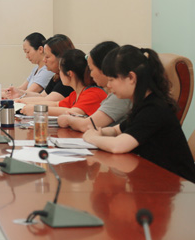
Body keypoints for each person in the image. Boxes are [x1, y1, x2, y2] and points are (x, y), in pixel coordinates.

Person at [83, 45, 195, 183]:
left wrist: (93, 138)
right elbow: (116, 130)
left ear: (131, 77)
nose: (108, 85)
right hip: (156, 180)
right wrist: (99, 132)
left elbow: (118, 146)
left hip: (179, 187)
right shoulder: (143, 105)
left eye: (112, 80)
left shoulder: (154, 109)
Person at [57, 41, 131, 131]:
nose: (91, 75)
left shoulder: (119, 96)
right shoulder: (114, 94)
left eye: (91, 69)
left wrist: (69, 120)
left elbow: (87, 125)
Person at [21, 49, 107, 116]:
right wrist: (25, 103)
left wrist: (37, 109)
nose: (59, 74)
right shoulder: (75, 95)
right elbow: (56, 104)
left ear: (69, 73)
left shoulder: (93, 93)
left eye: (60, 70)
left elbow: (72, 112)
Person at [11, 34, 75, 103]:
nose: (44, 60)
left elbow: (47, 100)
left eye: (47, 57)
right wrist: (19, 93)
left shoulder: (68, 79)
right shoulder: (56, 77)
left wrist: (18, 100)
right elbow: (42, 96)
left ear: (60, 58)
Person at [4, 32, 54, 97]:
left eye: (28, 52)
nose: (26, 56)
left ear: (40, 49)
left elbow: (26, 93)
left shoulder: (47, 70)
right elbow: (20, 89)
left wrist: (0, 93)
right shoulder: (35, 69)